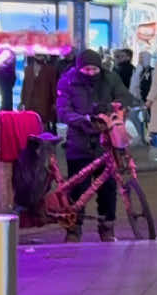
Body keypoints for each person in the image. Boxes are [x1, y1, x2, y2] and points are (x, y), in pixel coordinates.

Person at [55, 48, 134, 242]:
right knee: (78, 187)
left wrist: (113, 109)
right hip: (79, 142)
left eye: (94, 69)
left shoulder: (110, 78)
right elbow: (62, 109)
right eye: (86, 70)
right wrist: (83, 120)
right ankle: (74, 227)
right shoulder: (68, 80)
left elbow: (124, 97)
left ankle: (107, 226)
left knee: (108, 187)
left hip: (106, 142)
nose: (91, 73)